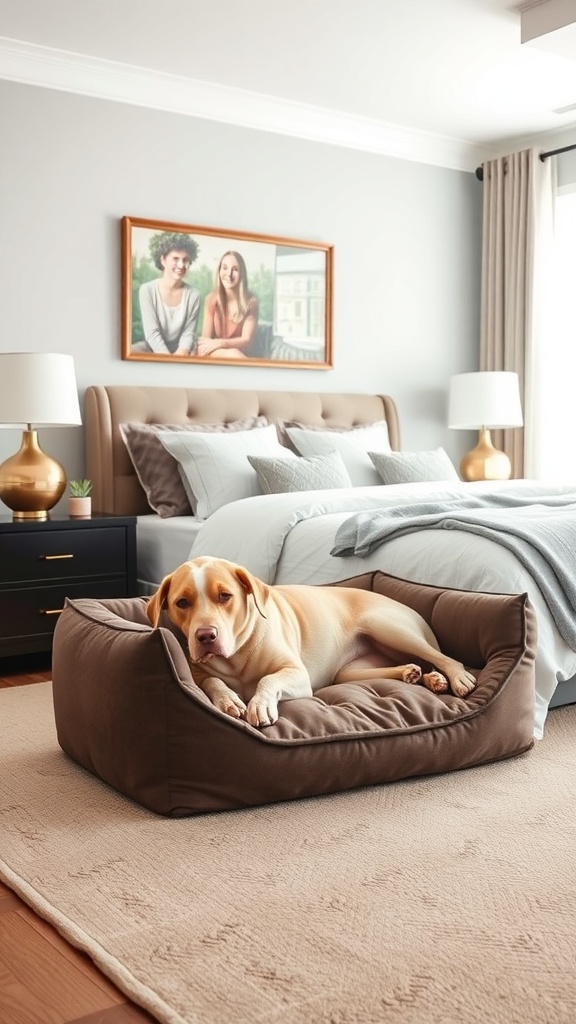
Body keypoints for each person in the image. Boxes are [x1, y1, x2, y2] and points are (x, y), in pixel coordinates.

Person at [132, 232, 200, 356]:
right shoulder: (147, 290)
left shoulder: (193, 295)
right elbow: (152, 334)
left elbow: (188, 334)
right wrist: (167, 360)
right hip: (153, 347)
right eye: (175, 259)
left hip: (183, 351)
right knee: (131, 350)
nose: (181, 265)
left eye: (185, 260)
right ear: (163, 260)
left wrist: (178, 357)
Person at [196, 250, 259, 359]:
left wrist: (220, 343)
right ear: (219, 271)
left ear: (242, 273)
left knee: (235, 353)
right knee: (233, 353)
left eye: (235, 269)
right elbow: (206, 341)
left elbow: (246, 340)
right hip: (215, 353)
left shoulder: (251, 302)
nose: (229, 274)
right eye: (225, 268)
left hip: (240, 357)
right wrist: (217, 346)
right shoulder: (211, 299)